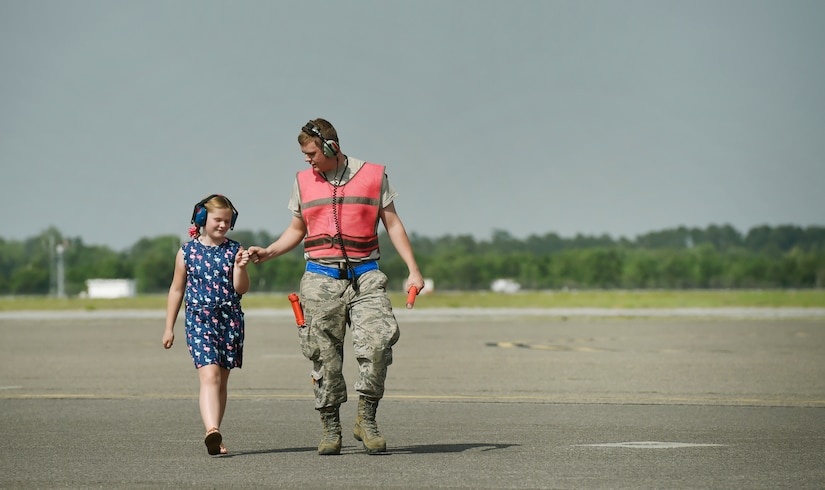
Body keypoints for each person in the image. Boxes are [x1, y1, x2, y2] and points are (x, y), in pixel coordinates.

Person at [248, 118, 424, 456]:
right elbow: (297, 228)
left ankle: (366, 419)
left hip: (366, 275)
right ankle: (331, 426)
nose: (306, 159)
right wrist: (268, 251)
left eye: (311, 152)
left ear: (332, 147)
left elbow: (393, 223)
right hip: (320, 277)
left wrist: (413, 270)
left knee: (377, 345)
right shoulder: (302, 181)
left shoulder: (374, 175)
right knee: (323, 357)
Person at [163, 194, 250, 456]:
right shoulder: (187, 251)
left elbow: (241, 288)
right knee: (209, 375)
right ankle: (211, 430)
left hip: (229, 320)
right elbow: (177, 290)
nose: (222, 225)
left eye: (227, 220)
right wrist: (169, 327)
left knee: (221, 381)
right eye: (217, 220)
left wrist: (241, 267)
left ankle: (216, 434)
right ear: (202, 219)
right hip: (200, 320)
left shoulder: (235, 250)